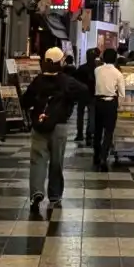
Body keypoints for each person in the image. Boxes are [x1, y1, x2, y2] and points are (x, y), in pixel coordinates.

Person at [20, 47, 88, 217]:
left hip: (39, 126)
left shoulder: (38, 81)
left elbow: (25, 101)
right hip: (59, 126)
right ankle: (55, 195)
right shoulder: (66, 81)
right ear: (60, 62)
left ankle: (36, 192)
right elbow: (84, 91)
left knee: (37, 160)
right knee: (57, 161)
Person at [92, 47, 125, 171]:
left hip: (98, 102)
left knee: (98, 130)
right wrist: (119, 106)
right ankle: (103, 157)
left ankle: (96, 154)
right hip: (111, 103)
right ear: (115, 59)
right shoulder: (118, 74)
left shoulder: (97, 70)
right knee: (108, 131)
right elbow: (122, 94)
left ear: (103, 58)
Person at [74, 47, 101, 146]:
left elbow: (76, 81)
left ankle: (79, 134)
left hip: (82, 95)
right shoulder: (97, 69)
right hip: (93, 95)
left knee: (80, 115)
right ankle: (89, 135)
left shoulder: (81, 68)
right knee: (91, 116)